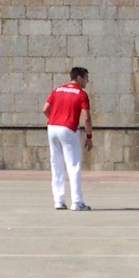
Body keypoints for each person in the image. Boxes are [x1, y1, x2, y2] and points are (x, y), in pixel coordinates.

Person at [42, 66, 93, 211]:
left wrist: (54, 119)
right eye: (86, 78)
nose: (87, 81)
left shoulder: (57, 89)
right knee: (73, 165)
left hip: (52, 128)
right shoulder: (81, 94)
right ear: (79, 78)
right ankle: (77, 202)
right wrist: (89, 137)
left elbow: (45, 109)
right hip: (68, 129)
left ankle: (58, 201)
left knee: (56, 164)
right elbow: (87, 118)